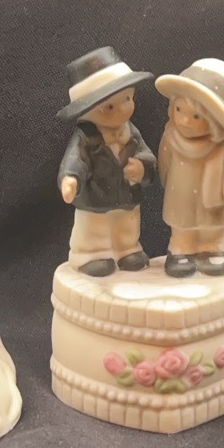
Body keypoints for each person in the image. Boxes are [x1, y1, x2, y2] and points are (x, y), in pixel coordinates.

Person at [56, 47, 156, 276]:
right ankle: (91, 255)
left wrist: (142, 168)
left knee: (127, 226)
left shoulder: (131, 133)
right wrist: (70, 179)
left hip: (127, 196)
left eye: (127, 99)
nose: (122, 110)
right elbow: (75, 159)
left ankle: (127, 250)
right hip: (96, 198)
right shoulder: (85, 138)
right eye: (109, 106)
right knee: (95, 229)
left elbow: (147, 155)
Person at [155, 59, 224, 277]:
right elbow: (164, 164)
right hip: (181, 196)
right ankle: (180, 250)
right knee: (182, 227)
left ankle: (213, 249)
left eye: (196, 116)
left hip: (214, 201)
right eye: (179, 109)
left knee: (212, 228)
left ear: (217, 120)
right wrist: (165, 181)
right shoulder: (170, 136)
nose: (185, 121)